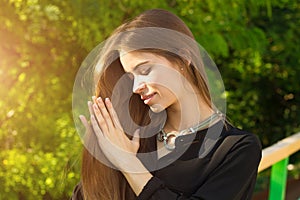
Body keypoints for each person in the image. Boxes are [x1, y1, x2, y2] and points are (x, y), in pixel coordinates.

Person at [71, 9, 262, 200]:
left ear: (182, 58)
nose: (136, 87)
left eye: (145, 70)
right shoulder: (131, 136)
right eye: (130, 77)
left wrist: (130, 165)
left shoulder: (236, 149)